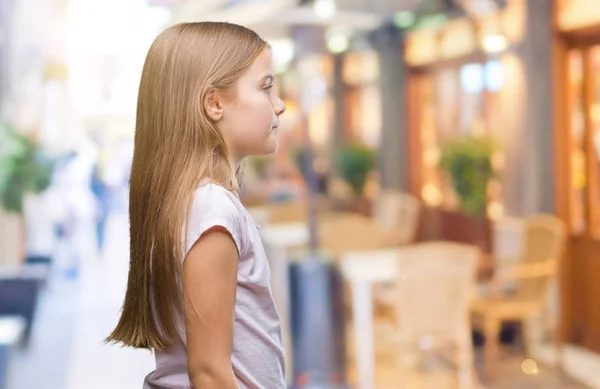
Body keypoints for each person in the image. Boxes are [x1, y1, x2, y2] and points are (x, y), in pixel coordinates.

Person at [105, 22, 287, 389]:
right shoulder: (211, 208)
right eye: (266, 87)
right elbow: (209, 373)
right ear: (214, 103)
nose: (280, 105)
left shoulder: (198, 201)